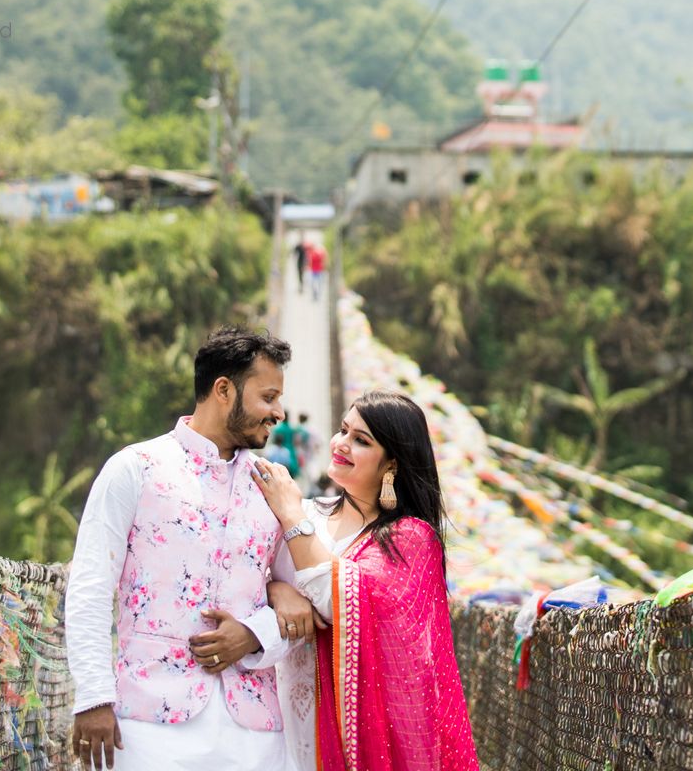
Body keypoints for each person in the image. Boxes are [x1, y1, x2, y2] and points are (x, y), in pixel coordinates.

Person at [66, 327, 299, 771]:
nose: (278, 412)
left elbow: (303, 603)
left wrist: (255, 634)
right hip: (148, 725)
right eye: (267, 397)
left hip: (254, 734)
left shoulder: (275, 487)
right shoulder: (134, 468)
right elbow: (91, 585)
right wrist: (94, 696)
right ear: (224, 390)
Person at [253, 390, 479, 771]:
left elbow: (334, 598)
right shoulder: (310, 512)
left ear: (391, 464)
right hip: (274, 714)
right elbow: (251, 577)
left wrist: (290, 514)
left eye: (361, 440)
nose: (341, 444)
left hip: (350, 732)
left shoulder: (409, 538)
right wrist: (278, 590)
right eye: (343, 430)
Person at [268, 411, 300, 478]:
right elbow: (295, 441)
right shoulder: (291, 429)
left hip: (279, 450)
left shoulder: (278, 429)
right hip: (291, 451)